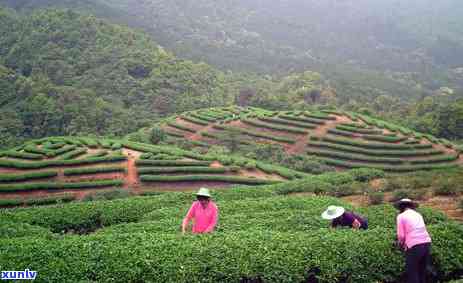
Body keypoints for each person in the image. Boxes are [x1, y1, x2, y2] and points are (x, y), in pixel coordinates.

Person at [395, 198, 432, 283]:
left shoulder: (401, 216)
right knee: (422, 271)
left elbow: (401, 235)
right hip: (426, 242)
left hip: (414, 245)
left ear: (401, 207)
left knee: (412, 271)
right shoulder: (418, 214)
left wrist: (400, 244)